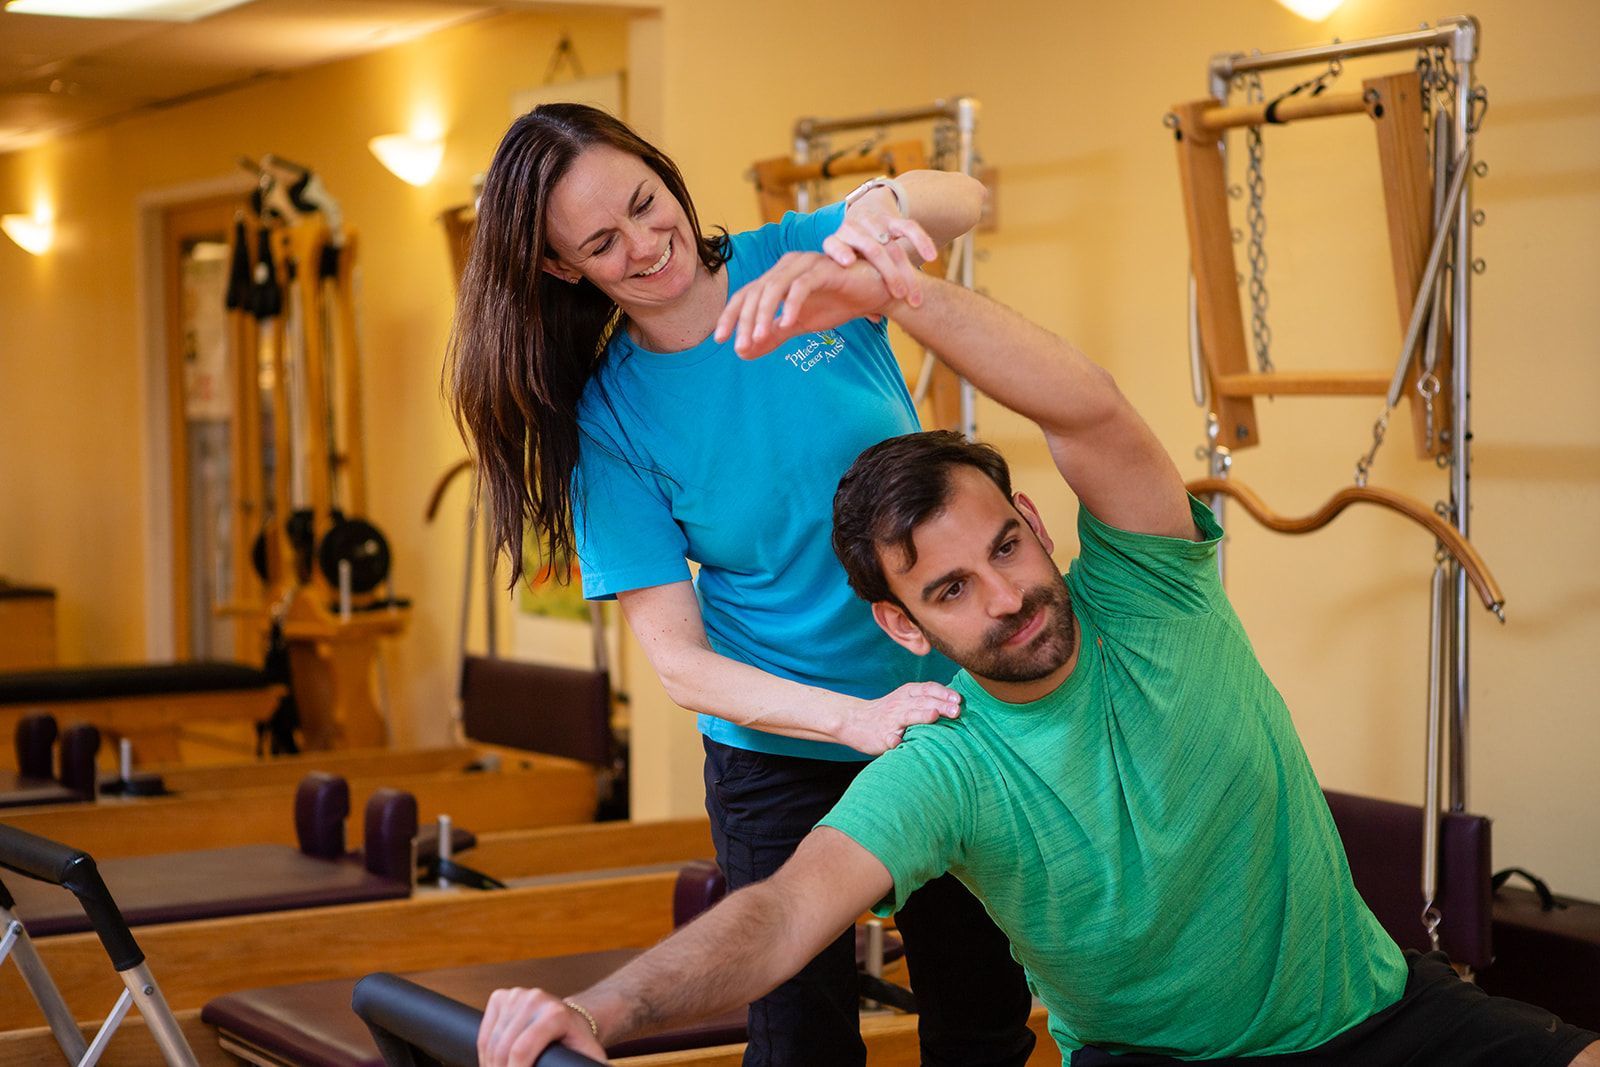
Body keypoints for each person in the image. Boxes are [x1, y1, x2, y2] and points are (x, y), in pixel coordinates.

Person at [476, 256, 1600, 1067]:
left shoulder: (1153, 592)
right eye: (950, 589)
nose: (1008, 596)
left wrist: (891, 292)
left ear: (1034, 518)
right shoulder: (942, 765)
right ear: (905, 628)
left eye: (1004, 546)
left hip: (1384, 1018)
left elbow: (1088, 406)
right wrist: (603, 1010)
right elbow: (780, 914)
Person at [448, 103, 1035, 1066]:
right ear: (564, 268)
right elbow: (680, 663)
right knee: (800, 1040)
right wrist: (850, 719)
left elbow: (962, 196)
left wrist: (878, 208)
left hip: (945, 710)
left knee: (979, 1015)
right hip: (782, 748)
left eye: (645, 204)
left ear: (663, 174)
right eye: (602, 241)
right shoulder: (609, 419)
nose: (645, 246)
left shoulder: (799, 260)